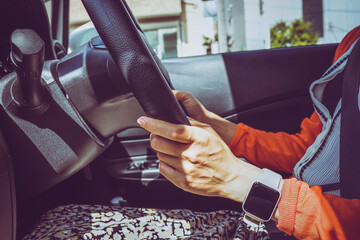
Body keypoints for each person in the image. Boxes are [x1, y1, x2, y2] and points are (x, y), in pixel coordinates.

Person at [25, 27, 360, 239]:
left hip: (304, 225)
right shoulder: (353, 43)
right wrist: (217, 126)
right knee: (61, 221)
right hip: (292, 221)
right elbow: (312, 150)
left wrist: (241, 182)